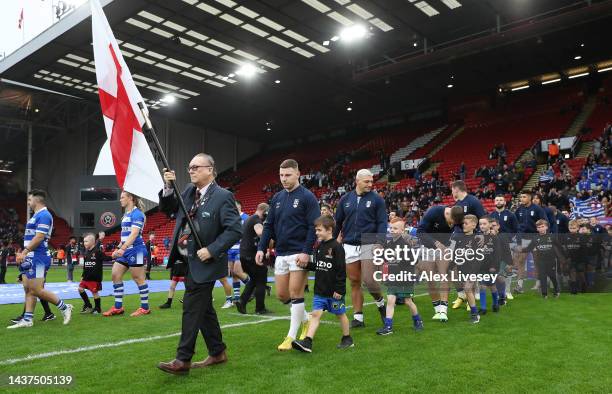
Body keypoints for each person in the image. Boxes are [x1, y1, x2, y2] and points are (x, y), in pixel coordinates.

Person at [158, 153, 242, 375]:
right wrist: (168, 187)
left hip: (206, 261)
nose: (191, 170)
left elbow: (235, 230)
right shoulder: (187, 191)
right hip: (186, 259)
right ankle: (218, 352)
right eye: (189, 167)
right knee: (204, 310)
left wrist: (212, 249)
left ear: (210, 170)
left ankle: (183, 359)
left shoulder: (223, 196)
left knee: (192, 306)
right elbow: (168, 210)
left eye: (196, 166)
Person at [256, 159, 320, 351]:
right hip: (281, 253)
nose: (284, 179)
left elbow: (313, 227)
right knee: (282, 295)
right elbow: (268, 226)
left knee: (295, 293)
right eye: (281, 175)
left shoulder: (308, 197)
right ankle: (307, 319)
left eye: (288, 175)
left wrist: (307, 252)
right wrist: (261, 248)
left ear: (298, 174)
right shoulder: (276, 198)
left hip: (299, 252)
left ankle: (291, 338)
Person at [7, 190, 73, 329]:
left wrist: (25, 251)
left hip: (39, 257)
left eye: (30, 200)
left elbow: (39, 237)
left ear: (37, 200)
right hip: (30, 257)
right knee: (28, 289)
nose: (28, 202)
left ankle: (65, 307)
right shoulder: (37, 215)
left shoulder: (44, 215)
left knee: (37, 289)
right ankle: (28, 319)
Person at [334, 169, 387, 328]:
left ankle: (380, 304)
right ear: (357, 181)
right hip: (349, 244)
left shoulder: (377, 200)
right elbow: (338, 222)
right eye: (367, 181)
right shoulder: (345, 199)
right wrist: (330, 243)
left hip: (369, 242)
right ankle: (358, 318)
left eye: (371, 181)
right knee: (355, 282)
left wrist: (380, 241)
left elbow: (382, 223)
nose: (370, 184)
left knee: (369, 280)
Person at [292, 215, 353, 352]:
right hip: (320, 291)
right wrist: (306, 265)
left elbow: (341, 271)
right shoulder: (319, 246)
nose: (316, 233)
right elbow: (319, 266)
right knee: (316, 315)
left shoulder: (337, 248)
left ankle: (347, 338)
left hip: (334, 293)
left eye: (319, 230)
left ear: (329, 230)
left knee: (340, 314)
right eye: (316, 230)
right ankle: (307, 342)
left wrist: (339, 290)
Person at [102, 191, 151, 317]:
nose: (120, 200)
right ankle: (118, 307)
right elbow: (125, 236)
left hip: (137, 250)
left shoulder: (137, 214)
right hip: (126, 249)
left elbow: (134, 234)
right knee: (115, 275)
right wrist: (118, 248)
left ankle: (145, 308)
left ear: (130, 198)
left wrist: (122, 249)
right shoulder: (126, 215)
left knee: (138, 278)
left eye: (122, 197)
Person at [416, 205, 464, 322]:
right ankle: (437, 309)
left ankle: (443, 310)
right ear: (448, 214)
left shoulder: (457, 217)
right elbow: (420, 232)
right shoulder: (434, 212)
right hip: (428, 248)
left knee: (444, 276)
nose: (452, 225)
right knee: (430, 279)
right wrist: (435, 243)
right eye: (451, 222)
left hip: (445, 248)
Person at [376, 218, 423, 335]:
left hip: (404, 278)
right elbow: (385, 259)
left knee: (408, 301)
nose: (392, 230)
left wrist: (402, 259)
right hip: (393, 277)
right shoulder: (389, 243)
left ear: (402, 230)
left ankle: (418, 320)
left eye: (395, 228)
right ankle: (388, 327)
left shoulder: (405, 245)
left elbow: (415, 261)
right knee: (391, 300)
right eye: (391, 228)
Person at [450, 180, 485, 309]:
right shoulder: (457, 204)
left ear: (456, 189)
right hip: (457, 238)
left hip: (470, 239)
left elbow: (482, 217)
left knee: (470, 268)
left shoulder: (473, 201)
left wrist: (481, 233)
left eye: (452, 189)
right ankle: (461, 294)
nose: (451, 192)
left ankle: (472, 296)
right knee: (452, 267)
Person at [236, 203, 271, 314]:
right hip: (252, 255)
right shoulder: (256, 220)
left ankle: (242, 301)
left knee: (254, 280)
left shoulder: (249, 219)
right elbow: (260, 233)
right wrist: (269, 230)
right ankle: (260, 308)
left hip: (244, 254)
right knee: (261, 279)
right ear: (264, 211)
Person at [515, 220, 564, 298]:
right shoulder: (535, 239)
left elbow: (559, 247)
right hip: (541, 261)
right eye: (539, 227)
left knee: (552, 276)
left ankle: (557, 290)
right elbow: (529, 248)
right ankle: (544, 294)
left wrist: (563, 257)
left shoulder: (552, 237)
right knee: (542, 277)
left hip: (551, 261)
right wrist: (520, 250)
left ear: (546, 227)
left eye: (542, 227)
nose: (541, 228)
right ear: (537, 229)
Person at [514, 191, 548, 293]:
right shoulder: (519, 209)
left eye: (524, 197)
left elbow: (545, 222)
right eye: (521, 197)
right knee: (520, 261)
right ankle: (519, 285)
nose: (521, 199)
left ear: (529, 198)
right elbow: (516, 224)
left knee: (537, 261)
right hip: (523, 239)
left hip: (535, 238)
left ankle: (538, 283)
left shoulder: (537, 209)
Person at [488, 195, 518, 302]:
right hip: (494, 245)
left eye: (501, 200)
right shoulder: (491, 215)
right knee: (497, 270)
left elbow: (515, 229)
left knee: (507, 269)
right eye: (497, 200)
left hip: (507, 244)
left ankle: (508, 291)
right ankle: (499, 292)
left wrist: (509, 238)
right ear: (494, 202)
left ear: (505, 202)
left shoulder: (511, 215)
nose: (499, 201)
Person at [454, 214, 481, 324]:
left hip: (473, 269)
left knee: (468, 288)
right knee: (469, 289)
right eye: (463, 223)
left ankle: (475, 314)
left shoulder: (478, 239)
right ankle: (473, 309)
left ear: (474, 225)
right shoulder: (459, 238)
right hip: (462, 269)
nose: (463, 225)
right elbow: (456, 255)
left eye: (466, 223)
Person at [79, 233, 109, 314]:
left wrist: (115, 255)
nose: (84, 243)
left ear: (92, 242)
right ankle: (88, 305)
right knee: (80, 289)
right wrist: (82, 275)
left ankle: (98, 308)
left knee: (94, 292)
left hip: (94, 278)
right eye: (84, 241)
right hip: (86, 277)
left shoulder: (97, 252)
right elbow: (85, 266)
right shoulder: (86, 252)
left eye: (86, 241)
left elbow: (106, 258)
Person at [228, 201, 250, 304]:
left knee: (237, 271)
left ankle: (253, 286)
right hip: (230, 248)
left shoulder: (246, 218)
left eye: (235, 205)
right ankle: (237, 297)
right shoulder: (230, 219)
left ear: (239, 206)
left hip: (241, 248)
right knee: (233, 273)